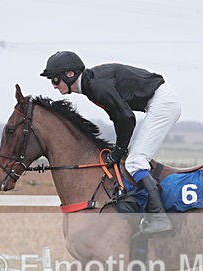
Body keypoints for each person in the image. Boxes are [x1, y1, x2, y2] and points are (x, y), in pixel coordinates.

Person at [41, 51, 180, 234]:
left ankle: (159, 217)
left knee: (135, 161)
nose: (54, 86)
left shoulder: (96, 86)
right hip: (158, 102)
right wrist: (119, 149)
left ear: (69, 74)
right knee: (133, 159)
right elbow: (119, 118)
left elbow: (126, 118)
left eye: (55, 80)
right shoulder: (92, 84)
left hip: (163, 103)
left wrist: (118, 151)